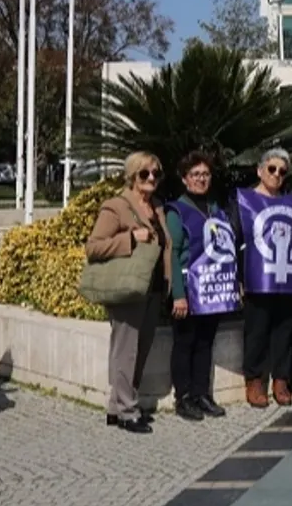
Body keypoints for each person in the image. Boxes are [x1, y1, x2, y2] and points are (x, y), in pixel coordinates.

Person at [86, 151, 167, 434]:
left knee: (140, 351)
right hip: (128, 288)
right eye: (144, 173)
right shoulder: (116, 207)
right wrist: (130, 238)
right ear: (132, 177)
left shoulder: (157, 206)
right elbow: (93, 247)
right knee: (126, 351)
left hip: (153, 287)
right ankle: (127, 410)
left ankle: (115, 407)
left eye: (156, 173)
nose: (151, 178)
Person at [235, 149, 292, 409]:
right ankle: (254, 380)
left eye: (282, 171)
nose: (276, 174)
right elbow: (236, 239)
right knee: (256, 331)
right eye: (271, 169)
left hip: (287, 277)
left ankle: (281, 379)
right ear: (259, 170)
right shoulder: (243, 201)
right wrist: (238, 277)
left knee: (283, 331)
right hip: (257, 279)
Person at [165, 151, 237, 421]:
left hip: (212, 290)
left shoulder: (216, 208)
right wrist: (178, 295)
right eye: (195, 174)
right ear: (185, 179)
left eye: (205, 174)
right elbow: (173, 254)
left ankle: (201, 394)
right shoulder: (177, 211)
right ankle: (183, 397)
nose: (201, 179)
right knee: (185, 343)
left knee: (205, 342)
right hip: (188, 289)